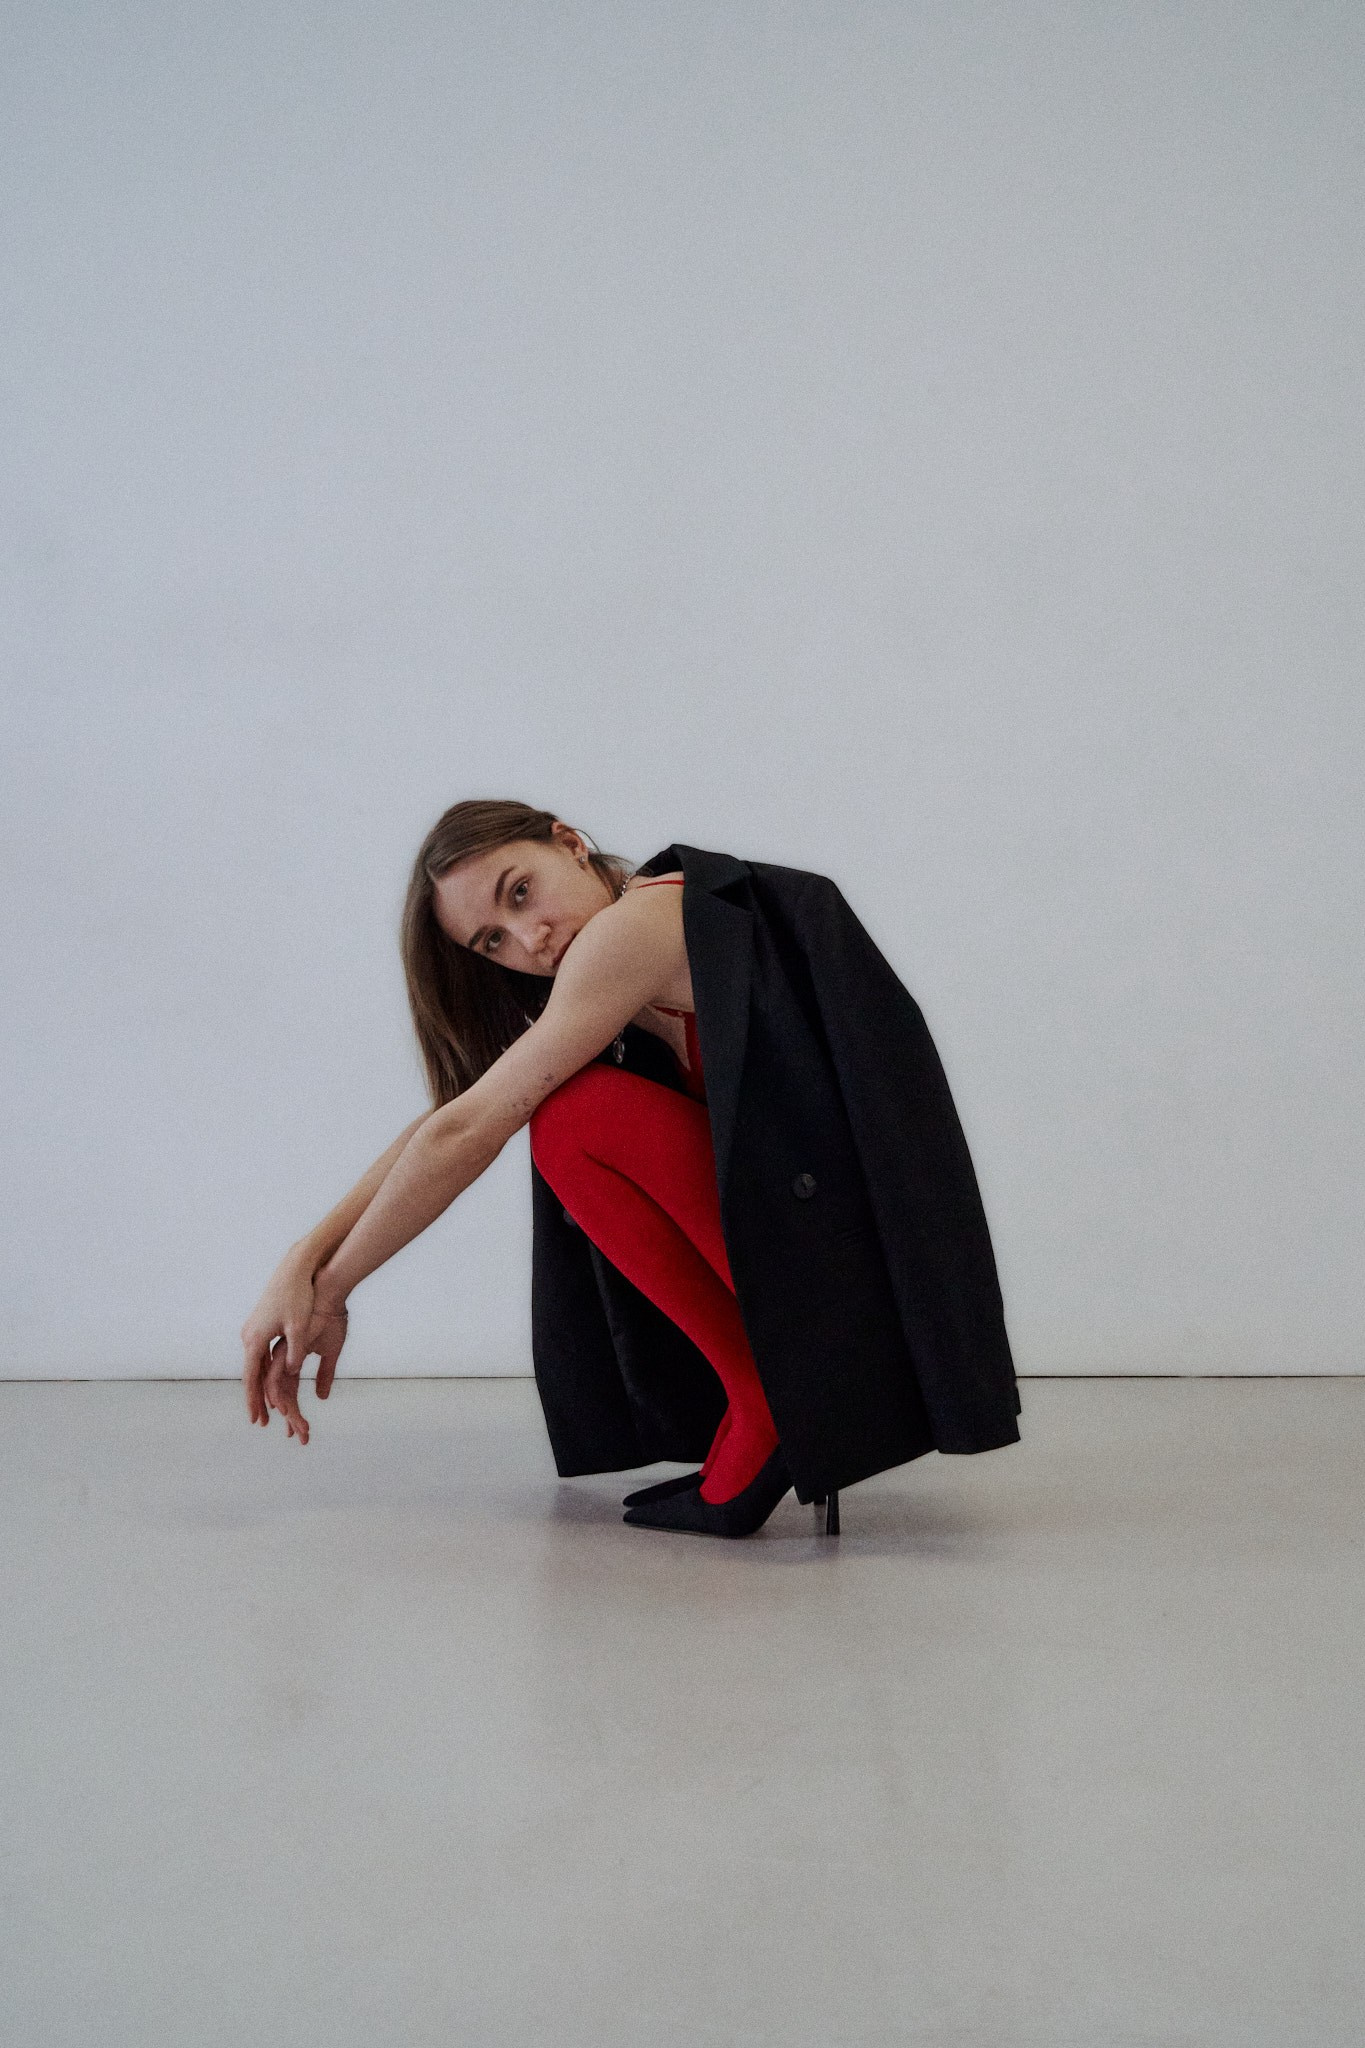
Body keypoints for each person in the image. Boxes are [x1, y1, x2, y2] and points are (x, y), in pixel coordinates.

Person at [242, 800, 1020, 1537]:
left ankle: (775, 1395)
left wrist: (333, 1290)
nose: (529, 939)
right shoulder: (607, 965)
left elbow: (466, 1131)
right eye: (492, 941)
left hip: (853, 1284)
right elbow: (450, 1118)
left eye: (520, 891)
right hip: (823, 1259)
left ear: (568, 842)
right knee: (563, 1109)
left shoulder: (637, 926)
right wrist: (304, 1262)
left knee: (575, 1118)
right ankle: (760, 1396)